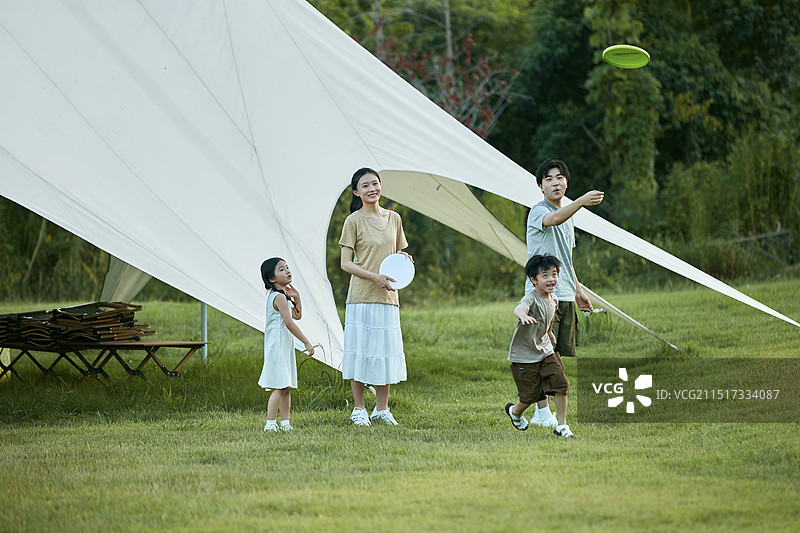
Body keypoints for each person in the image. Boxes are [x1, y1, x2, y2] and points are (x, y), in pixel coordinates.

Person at [525, 158, 604, 427]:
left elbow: (566, 261)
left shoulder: (570, 219)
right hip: (541, 297)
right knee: (543, 354)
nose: (555, 182)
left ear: (566, 182)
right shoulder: (538, 211)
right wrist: (580, 201)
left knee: (555, 354)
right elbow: (553, 218)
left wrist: (578, 291)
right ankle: (542, 412)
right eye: (548, 178)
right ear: (540, 186)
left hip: (566, 295)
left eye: (559, 177)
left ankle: (542, 412)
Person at [339, 167, 411, 426]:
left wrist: (404, 259)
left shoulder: (394, 218)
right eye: (365, 186)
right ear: (356, 192)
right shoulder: (353, 221)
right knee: (360, 351)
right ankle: (359, 409)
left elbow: (396, 253)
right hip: (361, 296)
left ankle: (382, 409)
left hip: (388, 297)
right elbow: (346, 264)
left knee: (385, 351)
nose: (372, 189)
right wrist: (375, 277)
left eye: (375, 183)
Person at [504, 254, 576, 438]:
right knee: (530, 395)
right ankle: (515, 413)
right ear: (533, 280)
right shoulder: (531, 298)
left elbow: (550, 317)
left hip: (545, 350)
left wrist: (549, 332)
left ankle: (562, 426)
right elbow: (518, 309)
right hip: (524, 355)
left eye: (554, 274)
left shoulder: (554, 299)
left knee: (561, 383)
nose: (551, 279)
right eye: (545, 275)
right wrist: (523, 316)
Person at [258, 257, 315, 432]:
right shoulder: (278, 298)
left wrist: (297, 298)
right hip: (278, 345)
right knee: (279, 385)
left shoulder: (283, 296)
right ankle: (270, 423)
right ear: (272, 279)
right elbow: (290, 323)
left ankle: (285, 423)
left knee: (286, 386)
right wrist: (306, 342)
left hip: (284, 344)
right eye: (281, 269)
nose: (288, 271)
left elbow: (297, 316)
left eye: (287, 267)